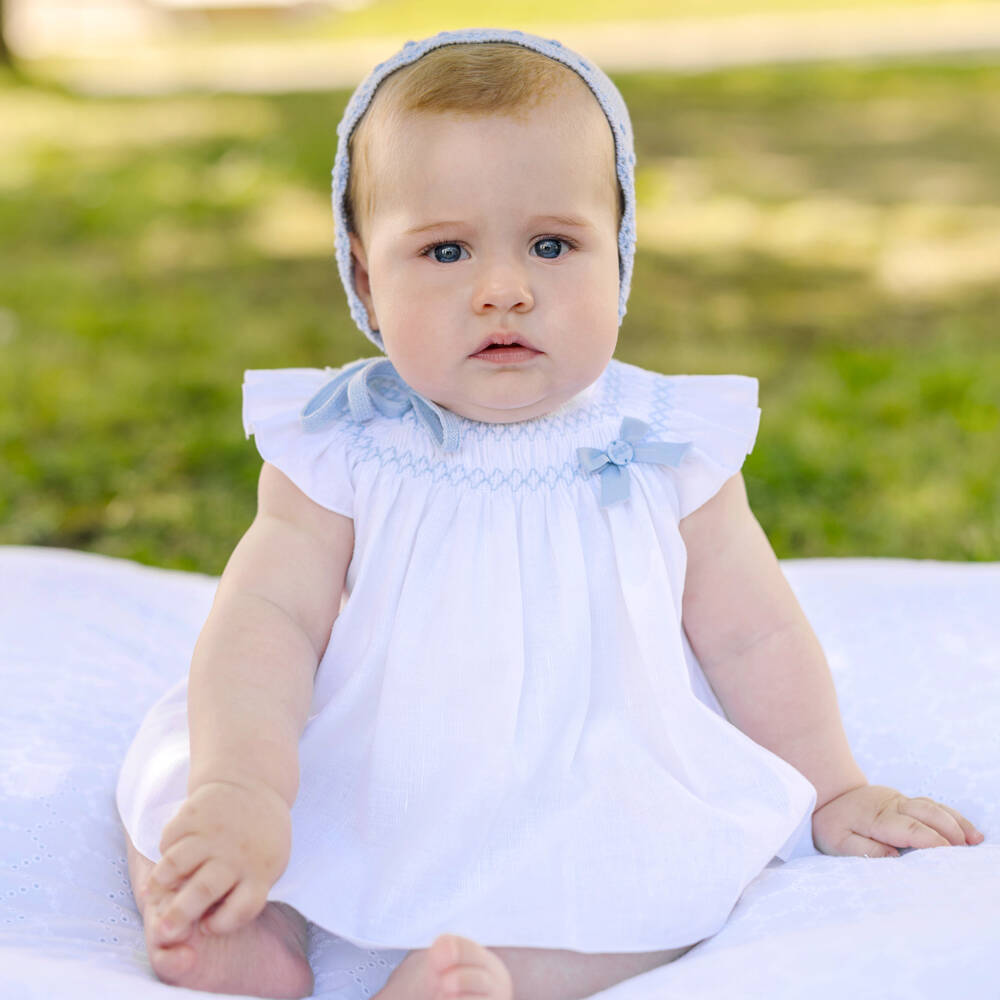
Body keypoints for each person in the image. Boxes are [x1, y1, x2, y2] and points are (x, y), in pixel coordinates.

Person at [116, 28, 984, 1000]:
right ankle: (246, 928)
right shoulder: (342, 444)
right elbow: (265, 622)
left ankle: (490, 975)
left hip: (584, 762)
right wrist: (247, 786)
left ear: (616, 255)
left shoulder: (661, 439)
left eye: (551, 243)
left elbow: (751, 633)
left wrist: (832, 786)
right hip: (365, 758)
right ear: (364, 277)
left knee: (648, 887)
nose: (503, 289)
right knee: (182, 801)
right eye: (444, 249)